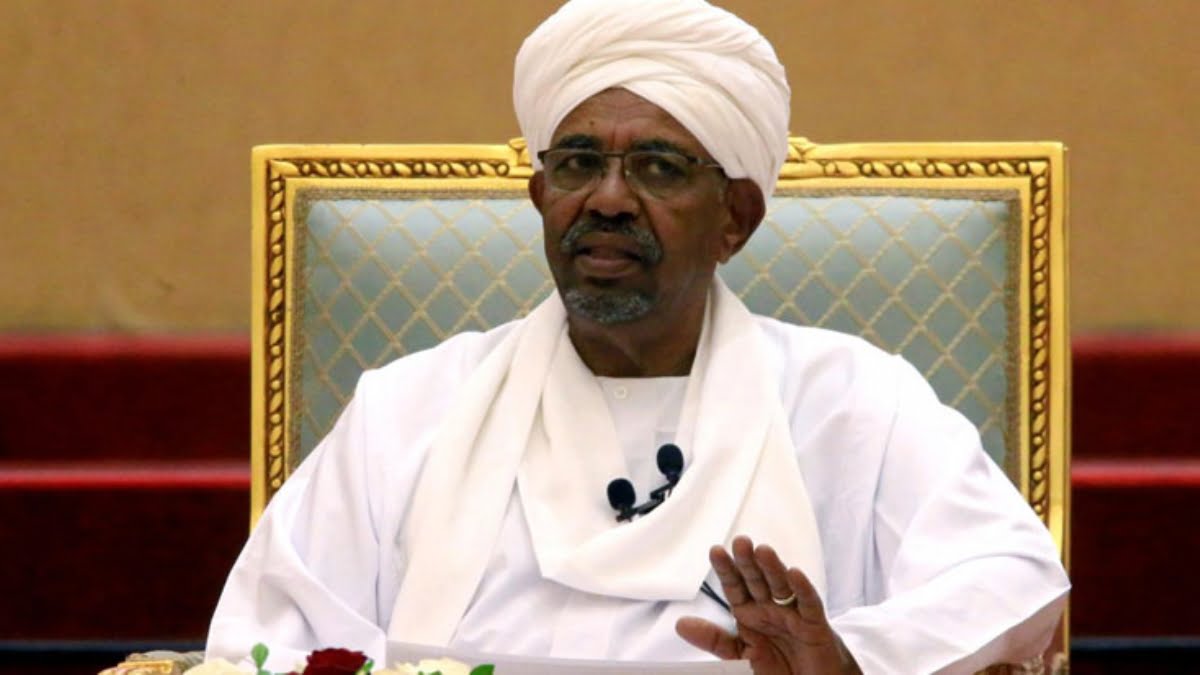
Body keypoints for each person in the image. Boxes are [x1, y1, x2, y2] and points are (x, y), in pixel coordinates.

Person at [206, 1, 1069, 672]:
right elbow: (270, 635)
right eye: (578, 163)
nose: (609, 198)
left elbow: (1011, 575)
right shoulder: (410, 407)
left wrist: (851, 661)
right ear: (541, 198)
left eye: (658, 167)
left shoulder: (853, 401)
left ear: (735, 218)